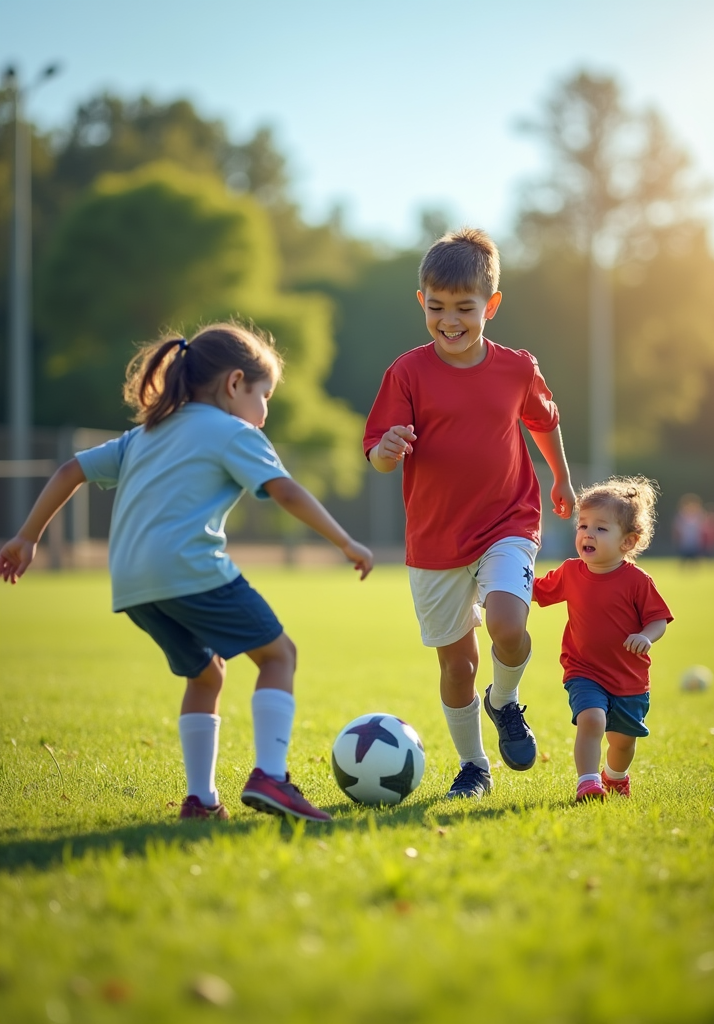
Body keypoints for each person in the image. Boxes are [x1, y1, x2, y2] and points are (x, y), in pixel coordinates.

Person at [0, 322, 373, 823]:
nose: (264, 413)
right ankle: (271, 778)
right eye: (266, 396)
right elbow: (285, 490)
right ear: (235, 384)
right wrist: (345, 541)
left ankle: (201, 801)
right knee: (279, 656)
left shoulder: (146, 433)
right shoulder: (233, 431)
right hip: (189, 566)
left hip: (132, 583)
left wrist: (27, 536)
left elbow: (71, 469)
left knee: (206, 673)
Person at [363, 228, 575, 800]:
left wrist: (561, 478)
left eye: (465, 308)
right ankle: (474, 766)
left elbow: (543, 420)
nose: (449, 321)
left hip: (509, 520)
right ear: (421, 304)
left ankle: (504, 700)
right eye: (436, 308)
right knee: (457, 665)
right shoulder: (406, 373)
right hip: (433, 542)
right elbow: (380, 455)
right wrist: (386, 452)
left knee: (508, 624)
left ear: (492, 306)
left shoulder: (516, 369)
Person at [532, 476, 673, 803]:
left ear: (628, 542)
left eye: (600, 528)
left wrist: (645, 636)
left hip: (629, 678)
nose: (587, 534)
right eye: (582, 525)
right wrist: (503, 583)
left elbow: (658, 619)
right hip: (584, 670)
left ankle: (616, 776)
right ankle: (588, 782)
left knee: (623, 742)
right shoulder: (570, 572)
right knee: (591, 719)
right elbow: (536, 590)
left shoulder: (637, 581)